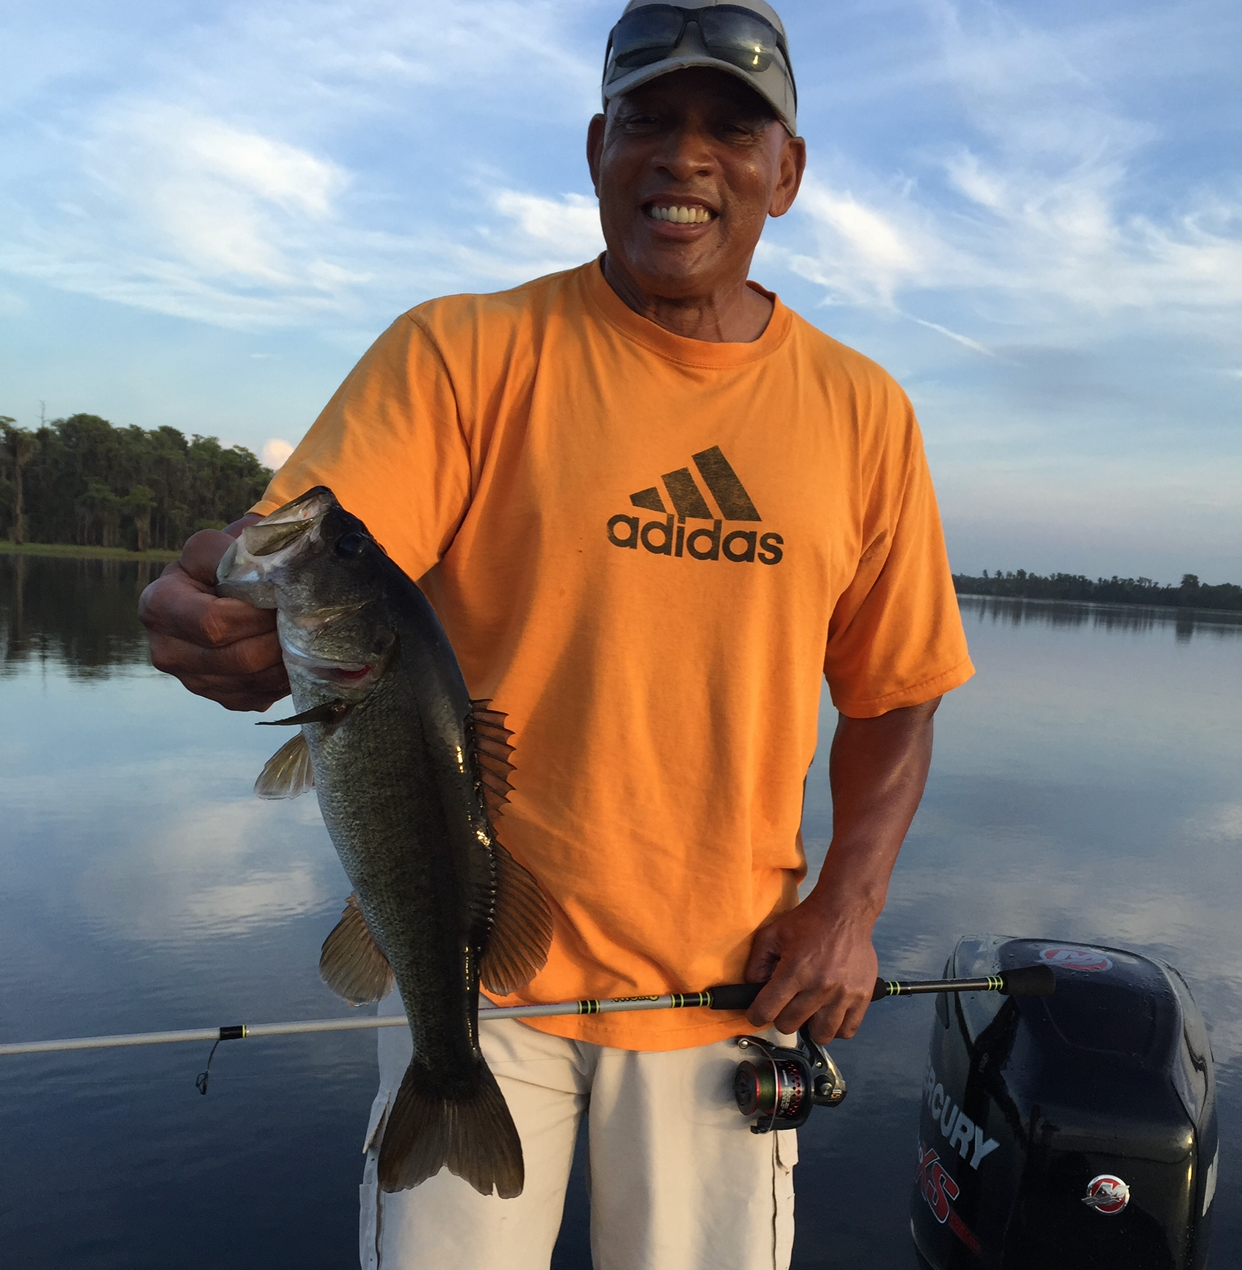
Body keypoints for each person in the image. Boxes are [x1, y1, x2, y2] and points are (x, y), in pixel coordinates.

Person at [140, 1, 974, 1266]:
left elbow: (897, 690)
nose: (685, 156)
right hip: (470, 972)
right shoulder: (466, 353)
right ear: (597, 149)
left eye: (731, 129)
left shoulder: (863, 414)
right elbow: (292, 556)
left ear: (786, 173)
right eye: (649, 119)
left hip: (724, 994)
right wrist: (213, 613)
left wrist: (850, 905)